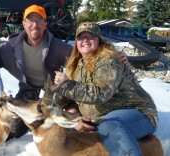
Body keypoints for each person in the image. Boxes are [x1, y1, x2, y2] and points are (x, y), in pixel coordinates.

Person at [0, 4, 130, 139]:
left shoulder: (57, 46)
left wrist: (110, 53)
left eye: (39, 20)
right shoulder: (9, 47)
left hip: (54, 94)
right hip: (28, 91)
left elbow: (85, 52)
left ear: (45, 24)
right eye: (30, 20)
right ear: (24, 23)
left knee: (58, 131)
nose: (35, 25)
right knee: (12, 132)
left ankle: (74, 116)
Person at [54, 22, 158, 156]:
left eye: (90, 36)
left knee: (110, 125)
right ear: (76, 42)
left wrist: (67, 84)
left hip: (138, 114)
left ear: (99, 39)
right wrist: (72, 117)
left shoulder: (109, 60)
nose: (85, 40)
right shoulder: (76, 66)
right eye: (81, 37)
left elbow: (101, 93)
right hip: (98, 118)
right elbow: (69, 99)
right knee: (60, 129)